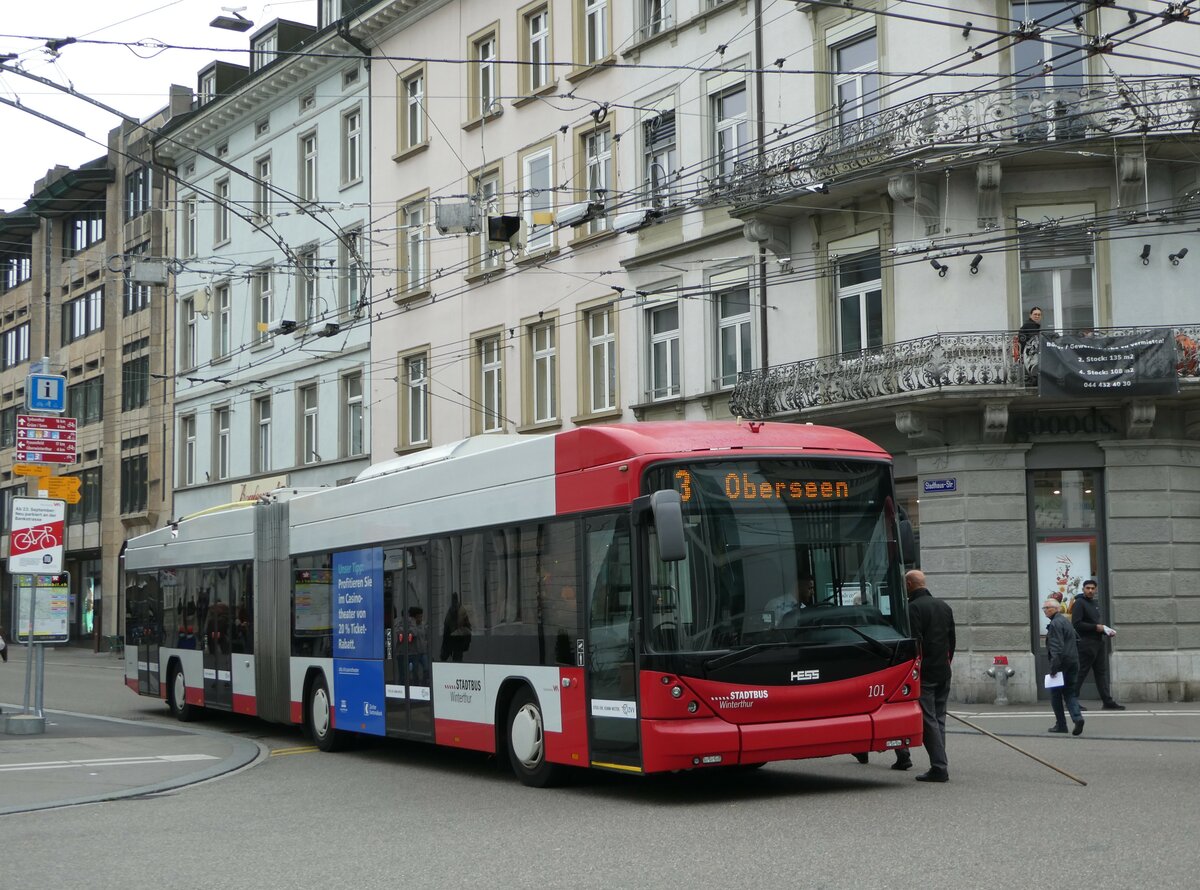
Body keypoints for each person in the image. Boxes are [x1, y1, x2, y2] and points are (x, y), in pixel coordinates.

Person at [906, 569, 956, 783]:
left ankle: (939, 766)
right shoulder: (943, 606)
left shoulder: (913, 608)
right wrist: (947, 662)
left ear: (909, 584)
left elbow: (915, 643)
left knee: (928, 719)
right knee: (939, 718)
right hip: (943, 670)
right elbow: (952, 640)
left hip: (925, 672)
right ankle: (939, 761)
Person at [1071, 579, 1125, 710]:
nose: (1090, 590)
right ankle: (1071, 701)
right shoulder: (1079, 603)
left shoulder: (1094, 604)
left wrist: (1105, 630)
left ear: (1095, 590)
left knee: (1101, 673)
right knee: (1081, 673)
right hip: (1086, 644)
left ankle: (1107, 702)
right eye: (1087, 588)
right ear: (1083, 589)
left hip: (1098, 642)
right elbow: (1077, 624)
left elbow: (1095, 624)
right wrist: (1096, 627)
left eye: (1092, 588)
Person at [1043, 598, 1085, 735]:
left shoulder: (1055, 624)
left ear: (1055, 609)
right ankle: (1077, 718)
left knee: (1055, 695)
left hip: (1061, 663)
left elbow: (1056, 648)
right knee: (1070, 692)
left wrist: (1054, 668)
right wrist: (1072, 654)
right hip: (1073, 661)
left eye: (1046, 608)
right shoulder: (1066, 621)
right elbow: (1077, 639)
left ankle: (1061, 725)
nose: (1044, 611)